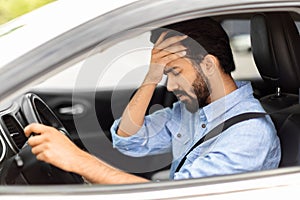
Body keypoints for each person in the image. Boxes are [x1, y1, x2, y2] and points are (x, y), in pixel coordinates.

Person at [24, 17, 281, 184]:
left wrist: (79, 160)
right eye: (165, 75)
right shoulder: (190, 112)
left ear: (209, 64)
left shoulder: (249, 134)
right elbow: (128, 140)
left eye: (176, 72)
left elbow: (178, 195)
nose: (169, 85)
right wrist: (151, 76)